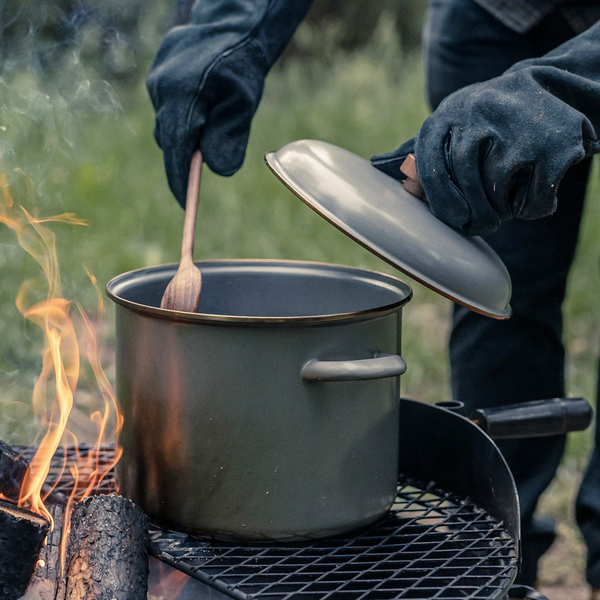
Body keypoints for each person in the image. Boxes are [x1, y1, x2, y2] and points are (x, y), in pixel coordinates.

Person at [147, 0, 600, 593]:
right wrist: (232, 26)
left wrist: (562, 88)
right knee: (496, 279)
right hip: (496, 15)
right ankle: (507, 567)